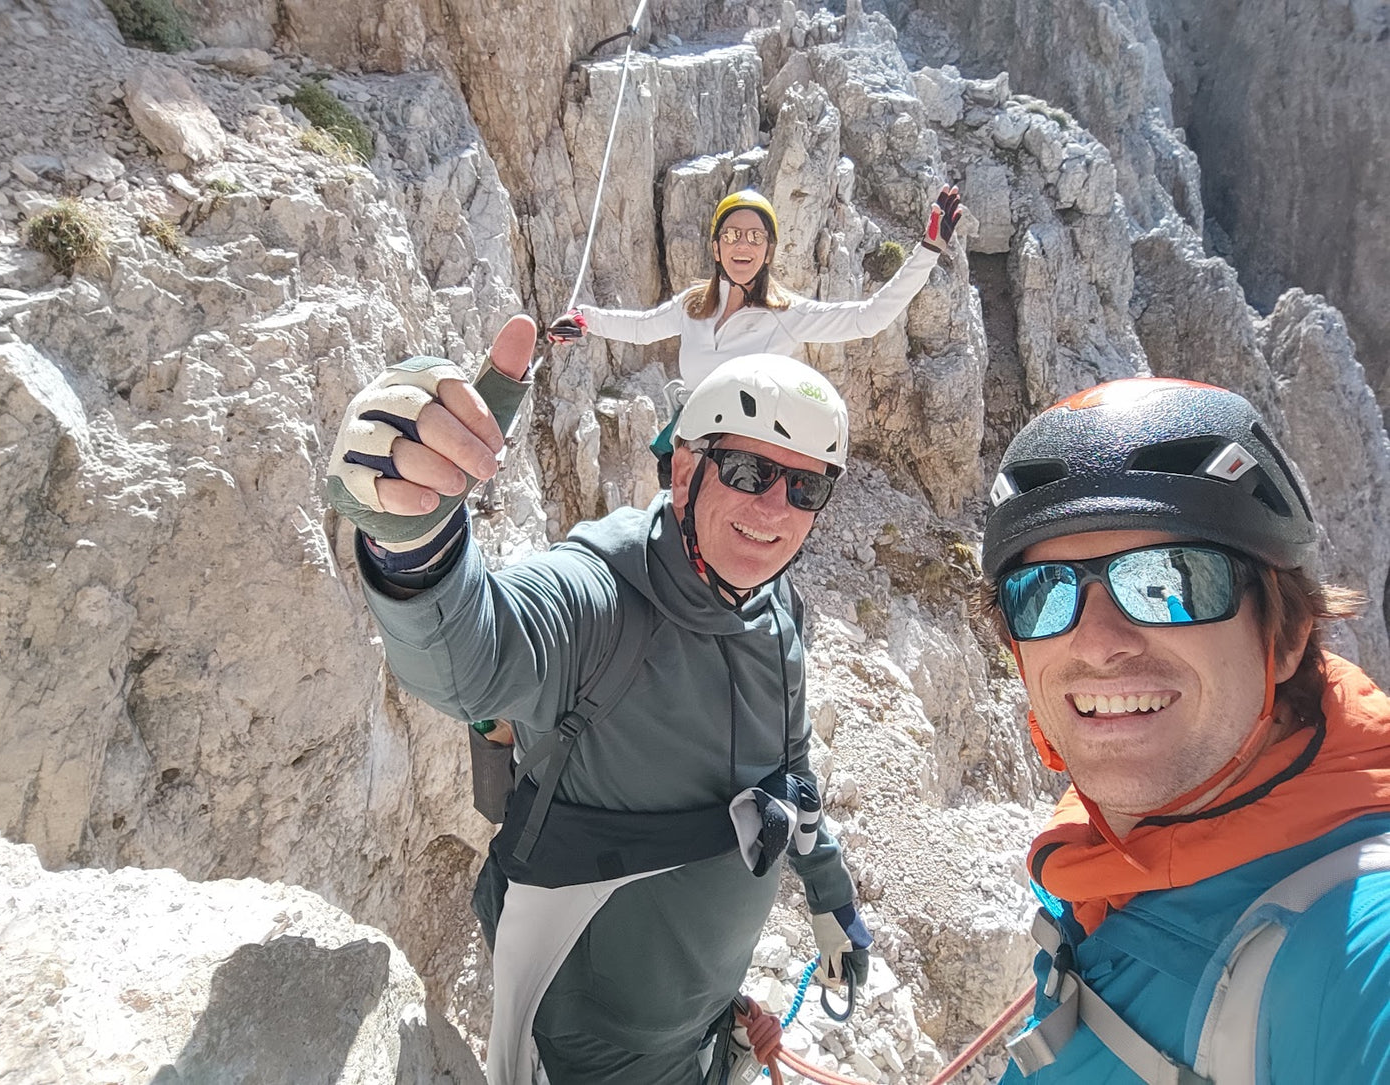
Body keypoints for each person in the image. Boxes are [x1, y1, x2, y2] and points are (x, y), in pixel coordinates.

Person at [325, 313, 871, 1085]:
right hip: (584, 1043)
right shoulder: (602, 599)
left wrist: (830, 896)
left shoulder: (778, 611)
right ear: (685, 472)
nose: (775, 508)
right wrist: (410, 542)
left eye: (806, 485)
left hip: (700, 1026)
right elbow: (469, 661)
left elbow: (792, 772)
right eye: (749, 471)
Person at [978, 377, 1390, 1084]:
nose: (1097, 641)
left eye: (1168, 580)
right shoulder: (1097, 874)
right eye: (1043, 591)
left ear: (1286, 633)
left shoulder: (1360, 950)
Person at [549, 185, 963, 485]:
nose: (742, 244)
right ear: (716, 248)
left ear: (768, 250)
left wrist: (926, 250)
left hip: (746, 462)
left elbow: (869, 318)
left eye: (755, 236)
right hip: (688, 445)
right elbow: (640, 328)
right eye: (731, 235)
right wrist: (583, 320)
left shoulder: (786, 314)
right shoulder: (694, 306)